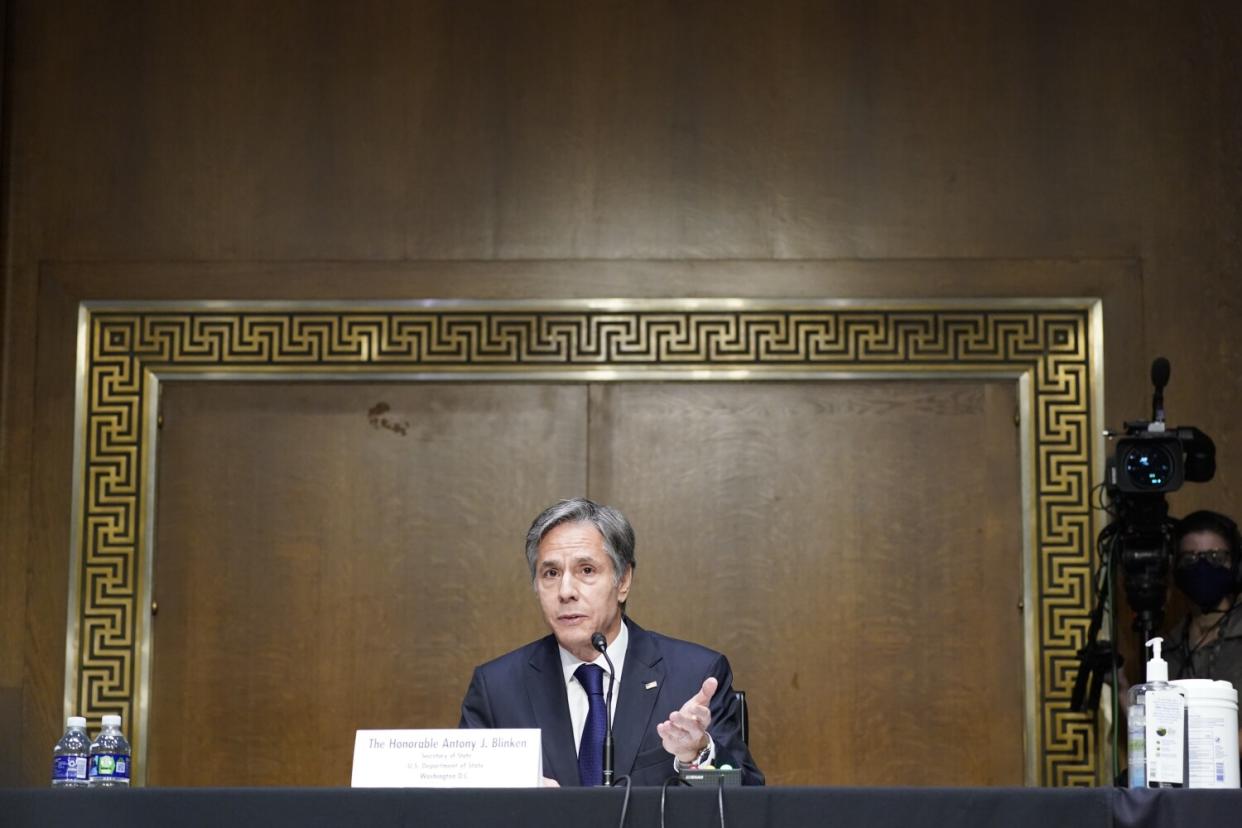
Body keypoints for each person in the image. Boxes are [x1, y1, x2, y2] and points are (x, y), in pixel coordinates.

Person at [458, 497, 763, 786]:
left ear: (623, 581)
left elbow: (744, 799)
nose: (565, 591)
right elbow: (461, 807)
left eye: (586, 570)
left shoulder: (693, 677)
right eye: (550, 573)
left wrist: (695, 755)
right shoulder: (497, 688)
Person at [1164, 509, 1242, 762]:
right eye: (1190, 558)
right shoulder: (1169, 647)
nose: (1202, 565)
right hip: (1185, 791)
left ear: (1235, 566)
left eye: (1215, 557)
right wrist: (1122, 691)